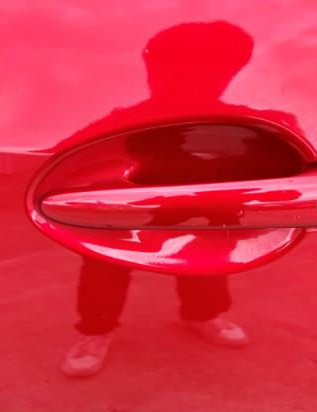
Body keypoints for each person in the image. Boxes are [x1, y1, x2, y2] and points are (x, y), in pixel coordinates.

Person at [59, 21, 302, 377]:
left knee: (208, 255)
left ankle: (202, 314)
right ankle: (95, 330)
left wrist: (279, 133)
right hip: (132, 208)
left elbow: (281, 160)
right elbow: (69, 150)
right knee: (103, 262)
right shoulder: (127, 118)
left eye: (214, 69)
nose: (193, 78)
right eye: (167, 65)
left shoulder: (240, 120)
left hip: (204, 205)